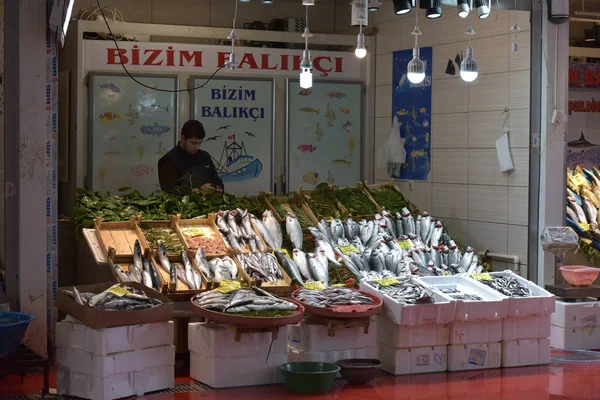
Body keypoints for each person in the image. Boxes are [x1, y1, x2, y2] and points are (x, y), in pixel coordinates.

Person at [158, 120, 224, 194]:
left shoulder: (205, 156)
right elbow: (170, 193)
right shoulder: (169, 161)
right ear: (183, 138)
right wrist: (198, 191)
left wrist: (218, 188)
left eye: (200, 143)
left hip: (210, 204)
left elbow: (216, 180)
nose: (197, 147)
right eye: (194, 143)